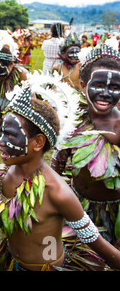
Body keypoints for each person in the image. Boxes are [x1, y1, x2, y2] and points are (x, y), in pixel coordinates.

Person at [0, 79, 120, 271]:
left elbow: (97, 243)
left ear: (38, 142)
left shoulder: (58, 192)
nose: (0, 141)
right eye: (2, 133)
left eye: (11, 135)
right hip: (13, 262)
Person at [51, 43, 120, 247]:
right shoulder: (73, 121)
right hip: (78, 206)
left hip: (113, 212)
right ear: (83, 85)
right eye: (98, 85)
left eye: (115, 87)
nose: (106, 93)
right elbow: (58, 165)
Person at [0, 31, 27, 130]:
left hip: (18, 104)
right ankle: (1, 131)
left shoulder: (22, 74)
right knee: (0, 112)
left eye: (1, 71)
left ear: (11, 64)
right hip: (3, 94)